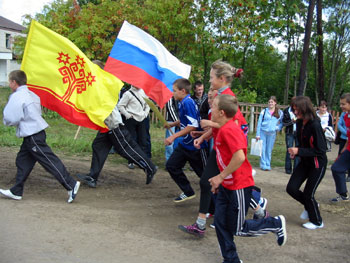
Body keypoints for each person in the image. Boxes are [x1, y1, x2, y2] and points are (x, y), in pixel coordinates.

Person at [178, 61, 267, 236]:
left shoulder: (227, 97)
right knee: (210, 182)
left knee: (231, 185)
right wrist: (203, 135)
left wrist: (209, 123)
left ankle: (259, 211)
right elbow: (220, 125)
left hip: (228, 150)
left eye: (212, 78)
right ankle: (202, 223)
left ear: (222, 78)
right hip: (219, 148)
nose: (209, 82)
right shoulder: (219, 94)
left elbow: (231, 124)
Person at [208, 94, 287, 263]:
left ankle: (274, 223)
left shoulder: (230, 129)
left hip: (239, 186)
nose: (210, 108)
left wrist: (220, 177)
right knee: (221, 224)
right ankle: (231, 260)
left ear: (221, 112)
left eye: (213, 106)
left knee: (238, 228)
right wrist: (219, 180)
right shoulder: (222, 128)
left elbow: (239, 157)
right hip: (226, 186)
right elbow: (224, 158)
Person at [0, 70, 80, 203]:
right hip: (35, 133)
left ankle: (71, 184)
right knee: (22, 160)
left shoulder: (17, 96)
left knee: (49, 161)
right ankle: (16, 191)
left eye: (9, 81)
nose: (9, 84)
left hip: (32, 135)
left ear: (14, 82)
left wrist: (7, 122)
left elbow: (11, 117)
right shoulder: (32, 94)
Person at [76, 61, 157, 187]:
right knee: (98, 146)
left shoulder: (102, 83)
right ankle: (92, 177)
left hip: (113, 124)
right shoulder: (99, 83)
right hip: (106, 124)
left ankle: (149, 167)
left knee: (126, 149)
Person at [286, 96, 327, 230]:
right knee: (291, 188)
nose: (295, 112)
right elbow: (301, 143)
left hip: (317, 164)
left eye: (297, 109)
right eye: (293, 109)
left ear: (304, 108)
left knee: (309, 194)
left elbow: (321, 150)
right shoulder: (299, 122)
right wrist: (295, 152)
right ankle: (311, 205)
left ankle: (317, 221)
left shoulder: (315, 124)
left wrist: (299, 151)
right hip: (304, 162)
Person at [165, 78, 208, 202]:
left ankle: (222, 199)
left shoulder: (187, 103)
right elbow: (187, 121)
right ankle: (188, 191)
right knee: (171, 166)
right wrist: (173, 124)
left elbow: (193, 125)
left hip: (196, 146)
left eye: (174, 91)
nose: (172, 93)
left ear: (182, 91)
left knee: (205, 177)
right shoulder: (183, 102)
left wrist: (173, 136)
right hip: (186, 144)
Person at [118, 85, 151, 169]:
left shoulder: (143, 92)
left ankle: (143, 161)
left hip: (142, 119)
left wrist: (145, 114)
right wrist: (127, 114)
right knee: (132, 140)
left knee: (143, 140)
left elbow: (148, 104)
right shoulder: (127, 94)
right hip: (131, 119)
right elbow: (120, 105)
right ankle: (131, 161)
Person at [330, 93, 350, 202]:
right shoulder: (346, 116)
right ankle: (343, 194)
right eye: (340, 104)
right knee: (336, 168)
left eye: (344, 104)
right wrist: (345, 148)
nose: (341, 106)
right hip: (349, 149)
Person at [256, 96, 283, 171]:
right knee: (263, 149)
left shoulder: (279, 112)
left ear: (275, 103)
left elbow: (282, 123)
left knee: (269, 149)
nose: (270, 103)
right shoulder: (264, 111)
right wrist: (258, 134)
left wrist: (277, 128)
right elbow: (259, 123)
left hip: (272, 133)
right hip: (263, 132)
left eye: (272, 102)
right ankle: (263, 164)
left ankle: (268, 164)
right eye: (269, 102)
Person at [282, 100, 300, 174]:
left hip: (298, 133)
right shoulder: (286, 111)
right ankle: (288, 169)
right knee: (289, 150)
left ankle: (296, 169)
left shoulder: (300, 110)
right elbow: (284, 123)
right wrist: (292, 122)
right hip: (290, 132)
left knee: (298, 150)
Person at [164, 96, 181, 162]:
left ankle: (177, 160)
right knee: (170, 142)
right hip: (171, 120)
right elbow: (170, 107)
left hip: (179, 120)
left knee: (178, 141)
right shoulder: (169, 94)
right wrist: (176, 121)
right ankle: (169, 161)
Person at [336, 111, 350, 182]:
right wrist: (346, 133)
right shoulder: (344, 114)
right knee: (340, 156)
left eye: (343, 104)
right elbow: (339, 125)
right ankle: (342, 173)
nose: (341, 106)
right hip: (343, 138)